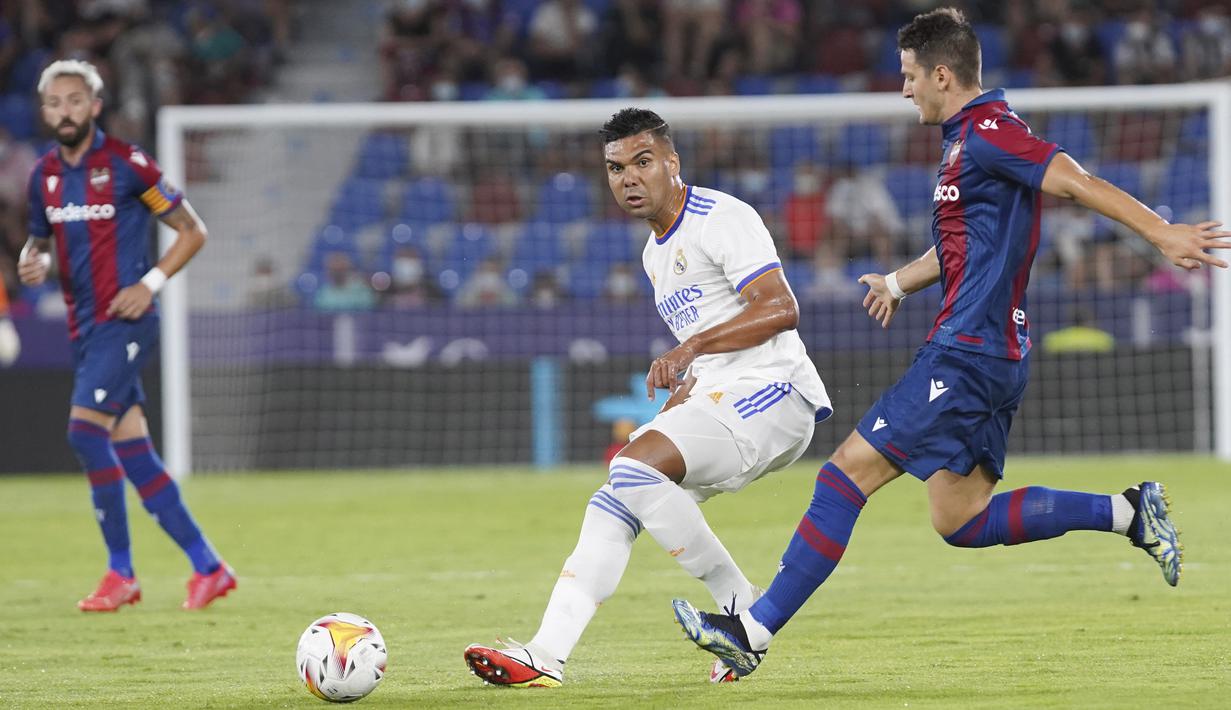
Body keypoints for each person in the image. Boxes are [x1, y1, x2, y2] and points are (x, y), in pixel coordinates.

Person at [673, 7, 1229, 679]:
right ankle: (1127, 512)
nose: (903, 89)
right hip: (991, 355)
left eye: (909, 76)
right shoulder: (966, 141)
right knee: (959, 518)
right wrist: (900, 282)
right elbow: (963, 242)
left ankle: (751, 631)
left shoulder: (991, 132)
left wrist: (1159, 232)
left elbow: (1073, 181)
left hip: (966, 352)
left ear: (941, 73)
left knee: (843, 474)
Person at [463, 108, 832, 687]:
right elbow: (708, 354)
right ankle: (544, 654)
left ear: (671, 162)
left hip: (775, 391)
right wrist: (680, 396)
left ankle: (739, 603)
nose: (628, 178)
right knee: (615, 499)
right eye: (615, 168)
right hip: (723, 394)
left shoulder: (721, 216)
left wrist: (689, 349)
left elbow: (781, 308)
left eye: (641, 162)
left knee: (633, 470)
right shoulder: (654, 253)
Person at [17, 60, 236, 612]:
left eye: (75, 100)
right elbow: (37, 243)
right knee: (134, 454)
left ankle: (122, 573)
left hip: (128, 321)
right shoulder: (43, 175)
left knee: (84, 434)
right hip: (86, 328)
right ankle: (209, 567)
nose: (64, 111)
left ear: (95, 106)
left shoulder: (126, 164)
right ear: (44, 112)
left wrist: (151, 283)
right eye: (54, 103)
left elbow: (193, 229)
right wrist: (31, 260)